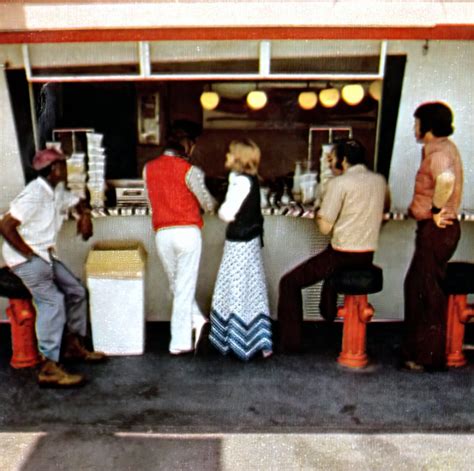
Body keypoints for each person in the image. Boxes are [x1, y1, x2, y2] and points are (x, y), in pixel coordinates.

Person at [0, 148, 106, 388]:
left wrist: (85, 215)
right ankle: (48, 366)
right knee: (53, 301)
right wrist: (29, 255)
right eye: (63, 166)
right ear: (53, 170)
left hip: (44, 254)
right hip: (26, 259)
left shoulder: (55, 191)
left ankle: (72, 345)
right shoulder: (34, 194)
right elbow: (6, 226)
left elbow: (78, 201)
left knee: (77, 291)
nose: (66, 170)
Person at [278, 139, 389, 353]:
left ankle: (290, 344)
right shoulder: (379, 181)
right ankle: (327, 315)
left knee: (289, 282)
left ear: (344, 160)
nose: (330, 163)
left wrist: (321, 212)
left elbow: (324, 228)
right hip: (367, 255)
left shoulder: (340, 184)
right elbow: (384, 212)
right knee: (328, 270)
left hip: (342, 254)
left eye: (333, 158)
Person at [144, 120, 216, 355]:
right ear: (187, 145)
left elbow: (150, 200)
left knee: (177, 284)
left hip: (163, 234)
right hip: (187, 232)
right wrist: (213, 205)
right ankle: (181, 343)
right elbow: (207, 202)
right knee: (183, 286)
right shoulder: (190, 171)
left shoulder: (149, 168)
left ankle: (197, 323)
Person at [401, 102, 463, 372]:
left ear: (427, 126)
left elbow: (445, 180)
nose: (414, 128)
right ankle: (418, 349)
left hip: (435, 230)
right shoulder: (443, 148)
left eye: (416, 123)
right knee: (419, 288)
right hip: (435, 230)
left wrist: (436, 210)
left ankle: (428, 357)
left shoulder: (438, 153)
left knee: (425, 293)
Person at [209, 138, 273, 360]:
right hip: (251, 241)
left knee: (236, 287)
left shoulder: (240, 182)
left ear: (238, 158)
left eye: (229, 153)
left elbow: (227, 213)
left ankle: (237, 342)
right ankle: (258, 339)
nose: (225, 157)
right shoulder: (251, 180)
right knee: (252, 287)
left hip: (239, 243)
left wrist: (219, 206)